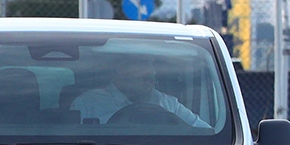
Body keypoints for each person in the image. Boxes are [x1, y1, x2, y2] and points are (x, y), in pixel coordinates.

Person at [73, 57, 209, 127]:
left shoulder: (168, 104)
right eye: (143, 65)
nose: (152, 72)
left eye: (152, 66)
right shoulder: (87, 104)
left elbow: (203, 131)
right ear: (121, 70)